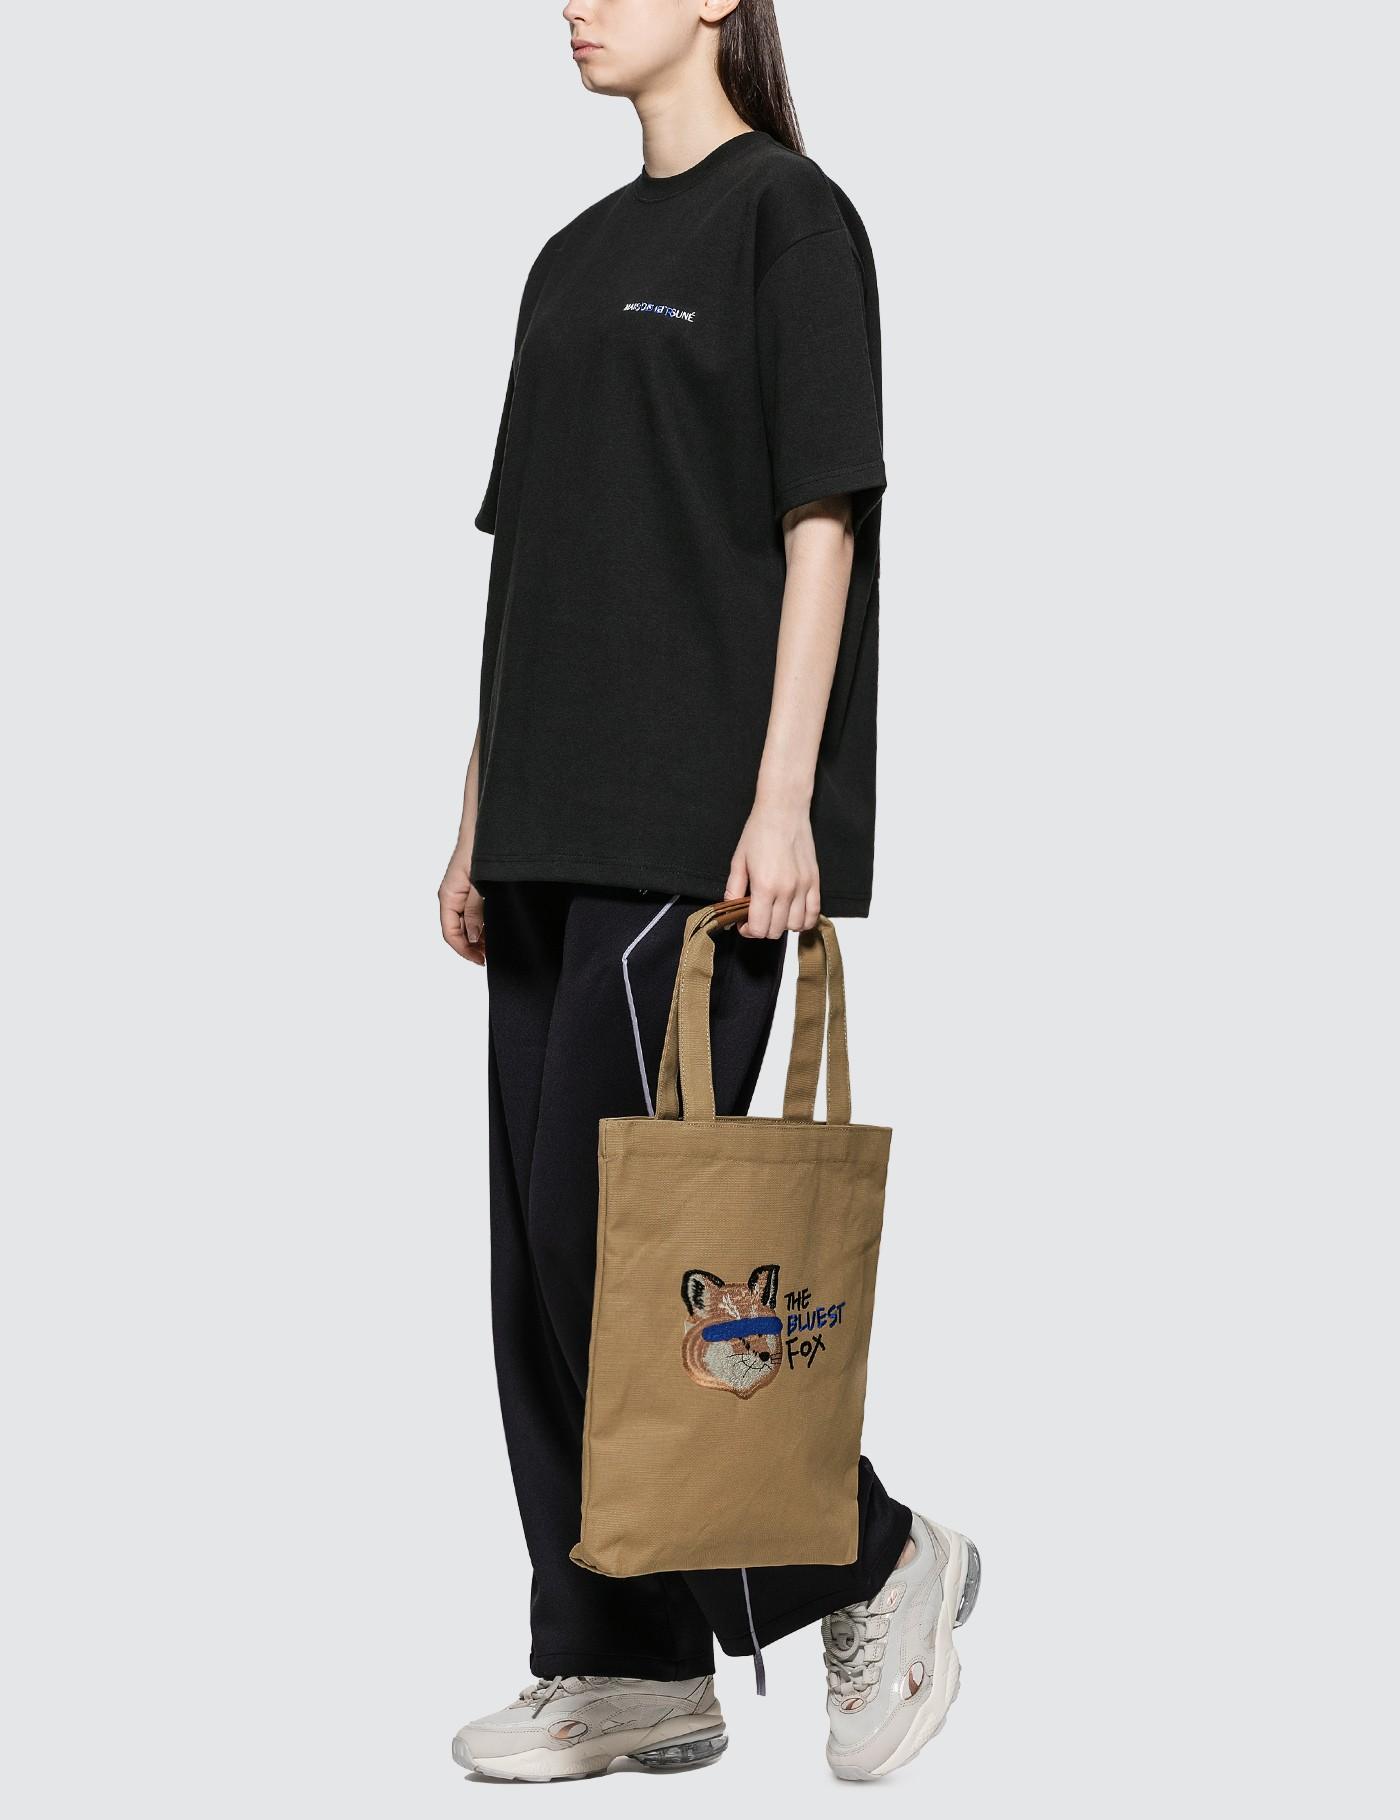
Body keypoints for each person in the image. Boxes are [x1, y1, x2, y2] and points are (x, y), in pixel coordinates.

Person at [439, 0, 977, 1783]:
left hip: (694, 833)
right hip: (543, 823)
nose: (575, 2)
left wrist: (785, 796)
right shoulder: (570, 260)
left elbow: (827, 520)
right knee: (536, 1268)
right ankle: (624, 1662)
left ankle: (877, 1557)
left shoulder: (788, 223)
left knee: (617, 1257)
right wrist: (471, 816)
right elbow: (529, 561)